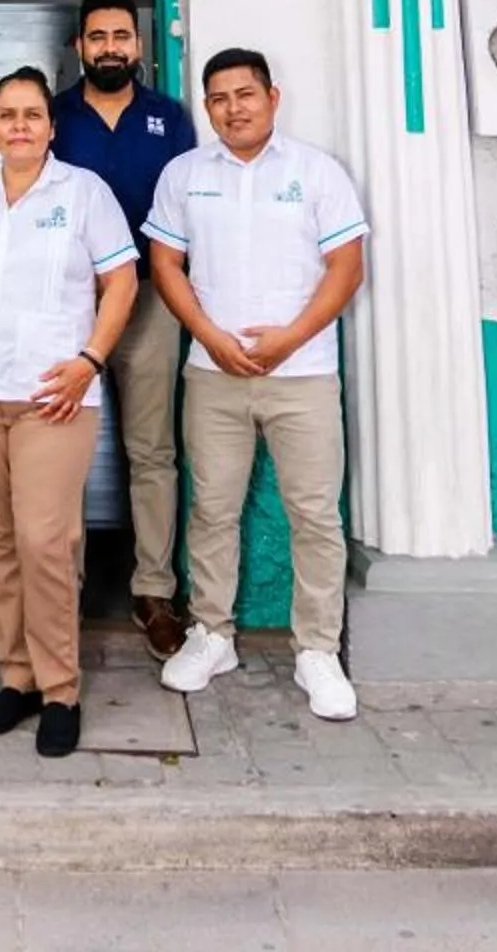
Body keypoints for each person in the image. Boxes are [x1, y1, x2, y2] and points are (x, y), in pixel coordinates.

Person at [143, 47, 369, 723]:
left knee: (314, 514)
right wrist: (209, 336)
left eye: (245, 94)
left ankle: (317, 650)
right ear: (207, 107)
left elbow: (346, 268)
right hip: (213, 375)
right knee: (212, 509)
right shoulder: (184, 174)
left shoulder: (317, 172)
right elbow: (166, 262)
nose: (233, 108)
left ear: (273, 96)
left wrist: (288, 339)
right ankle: (213, 635)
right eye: (219, 98)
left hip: (301, 376)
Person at [0, 67, 139, 759]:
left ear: (50, 127)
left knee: (46, 541)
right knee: (1, 545)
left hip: (54, 396)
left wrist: (90, 360)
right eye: (7, 114)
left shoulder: (83, 194)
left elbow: (122, 280)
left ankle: (61, 688)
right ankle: (16, 677)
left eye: (32, 115)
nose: (19, 125)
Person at [47, 0, 200, 660]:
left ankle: (154, 590)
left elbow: (192, 211)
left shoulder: (172, 118)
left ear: (139, 46)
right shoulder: (52, 118)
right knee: (59, 453)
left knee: (152, 451)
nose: (110, 48)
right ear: (78, 46)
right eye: (97, 37)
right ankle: (62, 587)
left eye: (121, 36)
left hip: (148, 299)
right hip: (65, 305)